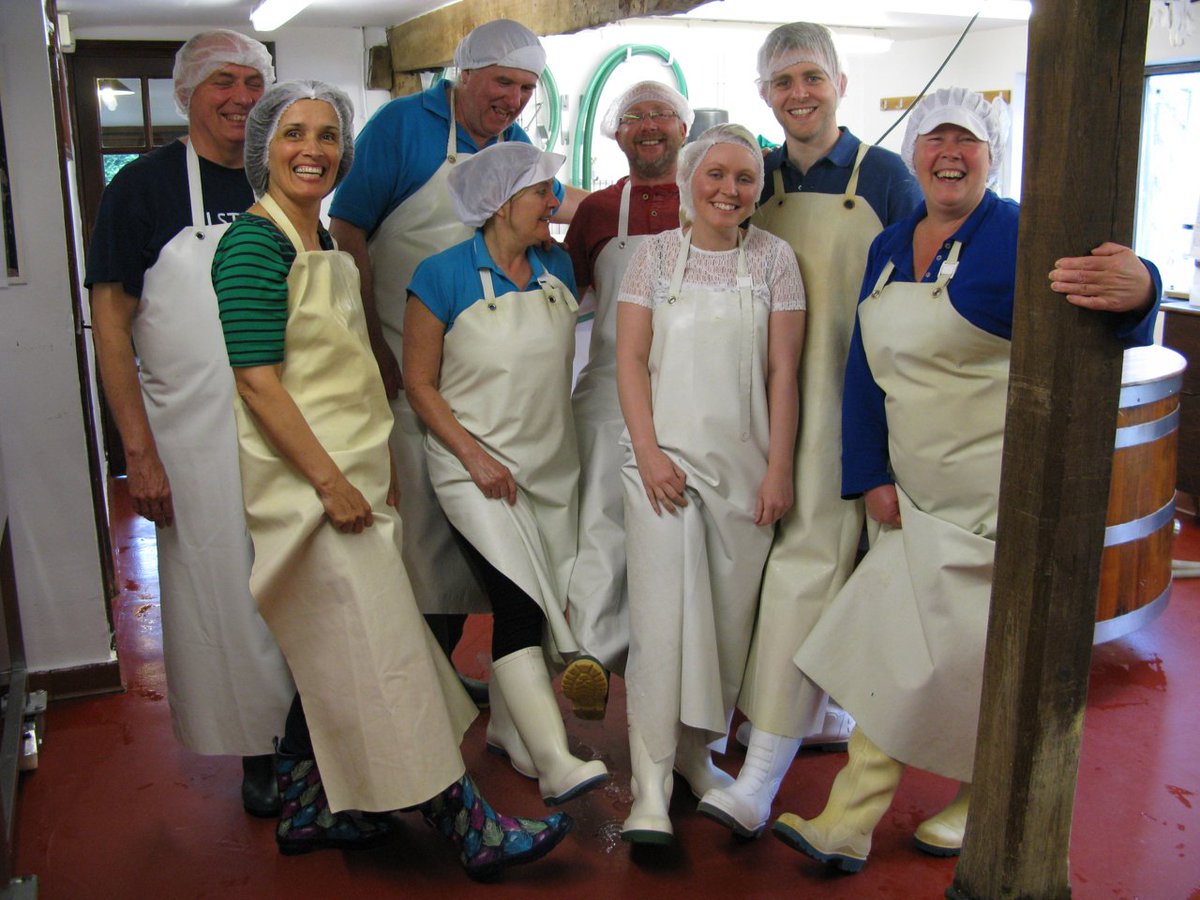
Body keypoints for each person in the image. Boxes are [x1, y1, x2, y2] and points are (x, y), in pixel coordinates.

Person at [772, 86, 1161, 872]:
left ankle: (941, 806)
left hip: (995, 499)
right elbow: (861, 372)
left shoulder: (1021, 233)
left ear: (994, 154)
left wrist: (1146, 285)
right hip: (912, 497)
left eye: (967, 141)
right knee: (894, 650)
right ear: (913, 154)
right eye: (934, 139)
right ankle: (872, 815)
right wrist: (870, 473)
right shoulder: (890, 245)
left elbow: (1108, 292)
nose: (949, 153)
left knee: (969, 662)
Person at [212, 80, 572, 878]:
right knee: (391, 657)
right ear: (261, 150)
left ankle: (308, 810)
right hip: (310, 495)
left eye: (329, 135)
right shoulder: (254, 245)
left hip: (353, 483)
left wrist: (371, 475)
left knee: (343, 648)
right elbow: (258, 382)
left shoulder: (324, 246)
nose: (314, 149)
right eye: (294, 135)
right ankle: (469, 826)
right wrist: (333, 484)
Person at [699, 22, 922, 840]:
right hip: (746, 410)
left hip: (838, 409)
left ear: (839, 81)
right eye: (782, 81)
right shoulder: (756, 178)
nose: (799, 94)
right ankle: (719, 743)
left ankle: (758, 780)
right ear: (764, 94)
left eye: (811, 77)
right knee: (740, 578)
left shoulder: (887, 178)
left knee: (803, 574)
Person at [329, 20, 586, 675]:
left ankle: (483, 693)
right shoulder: (399, 126)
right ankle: (424, 690)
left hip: (485, 395)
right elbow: (348, 230)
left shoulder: (517, 141)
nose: (515, 99)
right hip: (405, 368)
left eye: (528, 86)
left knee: (498, 546)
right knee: (422, 544)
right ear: (463, 73)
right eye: (504, 81)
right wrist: (371, 345)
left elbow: (545, 220)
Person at [85, 29, 293, 818]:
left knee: (302, 580)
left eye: (253, 80)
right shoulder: (141, 187)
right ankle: (256, 747)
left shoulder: (285, 175)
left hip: (291, 421)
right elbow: (111, 319)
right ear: (186, 94)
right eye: (222, 82)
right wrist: (137, 452)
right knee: (221, 588)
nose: (241, 97)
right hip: (195, 429)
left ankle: (312, 739)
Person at [403, 141, 609, 807]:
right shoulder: (439, 274)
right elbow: (418, 382)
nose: (554, 203)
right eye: (541, 193)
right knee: (520, 598)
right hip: (474, 469)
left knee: (543, 606)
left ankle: (513, 736)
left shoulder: (555, 264)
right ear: (498, 204)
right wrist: (472, 455)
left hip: (552, 467)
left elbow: (586, 214)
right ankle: (554, 760)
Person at [617, 124, 807, 845]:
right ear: (690, 181)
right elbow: (630, 362)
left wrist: (779, 469)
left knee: (726, 626)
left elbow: (782, 373)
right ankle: (649, 786)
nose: (730, 190)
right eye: (716, 176)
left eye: (746, 179)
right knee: (662, 625)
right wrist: (649, 453)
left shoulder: (776, 261)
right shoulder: (652, 258)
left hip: (745, 472)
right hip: (661, 470)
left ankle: (697, 757)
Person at [559, 81, 694, 720]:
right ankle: (589, 653)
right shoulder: (595, 213)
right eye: (635, 115)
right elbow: (563, 299)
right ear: (616, 134)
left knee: (682, 526)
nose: (649, 125)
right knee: (599, 519)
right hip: (611, 381)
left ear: (683, 128)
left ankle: (670, 665)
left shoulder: (715, 197)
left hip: (694, 385)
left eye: (662, 113)